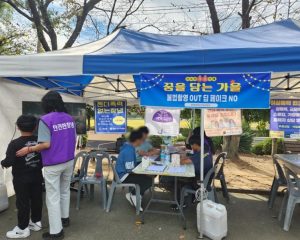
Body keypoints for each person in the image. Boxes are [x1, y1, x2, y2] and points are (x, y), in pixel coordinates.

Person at [16, 91, 76, 240]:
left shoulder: (45, 120)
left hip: (54, 163)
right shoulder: (69, 118)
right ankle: (64, 219)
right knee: (64, 191)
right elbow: (72, 138)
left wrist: (28, 149)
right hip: (69, 160)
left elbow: (45, 144)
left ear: (46, 104)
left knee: (52, 197)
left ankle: (56, 231)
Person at [1, 115, 43, 239]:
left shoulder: (14, 144)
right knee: (37, 199)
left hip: (21, 179)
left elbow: (9, 161)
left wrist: (2, 163)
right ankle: (36, 222)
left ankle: (23, 228)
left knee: (22, 202)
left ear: (18, 127)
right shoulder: (40, 142)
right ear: (35, 127)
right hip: (37, 176)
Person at [116, 130, 152, 211]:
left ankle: (134, 195)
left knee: (147, 177)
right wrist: (143, 171)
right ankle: (134, 196)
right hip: (123, 176)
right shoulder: (129, 150)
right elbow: (130, 169)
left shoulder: (129, 147)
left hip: (124, 173)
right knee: (148, 180)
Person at [174, 135, 213, 209]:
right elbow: (193, 157)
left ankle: (181, 203)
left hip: (199, 182)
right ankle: (190, 199)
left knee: (177, 180)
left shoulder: (200, 154)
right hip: (205, 178)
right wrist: (185, 157)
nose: (191, 147)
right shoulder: (205, 149)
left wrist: (176, 158)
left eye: (191, 145)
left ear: (195, 144)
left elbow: (183, 162)